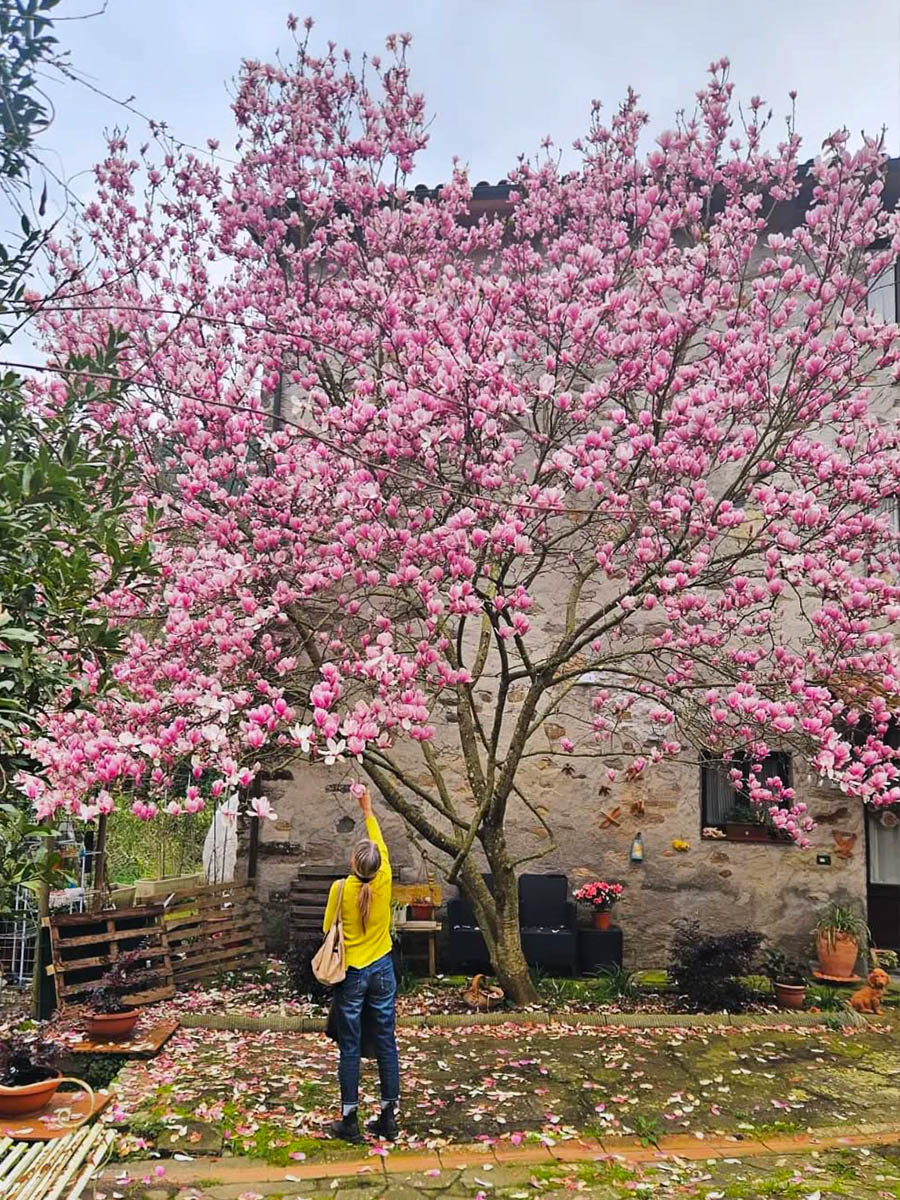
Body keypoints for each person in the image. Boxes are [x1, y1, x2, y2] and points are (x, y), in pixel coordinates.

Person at [323, 784, 400, 1143]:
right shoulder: (384, 880)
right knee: (386, 1040)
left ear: (353, 864)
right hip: (383, 969)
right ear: (377, 865)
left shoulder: (341, 889)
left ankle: (349, 1119)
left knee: (350, 1046)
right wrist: (368, 809)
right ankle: (388, 1116)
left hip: (351, 973)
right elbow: (379, 844)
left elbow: (328, 930)